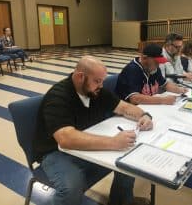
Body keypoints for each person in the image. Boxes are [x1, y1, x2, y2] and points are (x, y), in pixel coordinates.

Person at [33, 56, 154, 205]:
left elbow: (124, 107)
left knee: (127, 161)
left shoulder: (95, 91)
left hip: (82, 142)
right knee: (71, 187)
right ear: (80, 77)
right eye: (97, 81)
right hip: (55, 152)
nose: (101, 85)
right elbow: (66, 139)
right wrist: (114, 142)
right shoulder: (58, 96)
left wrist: (144, 116)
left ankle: (121, 201)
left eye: (102, 81)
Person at [115, 44, 188, 105]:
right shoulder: (132, 70)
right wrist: (163, 100)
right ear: (144, 58)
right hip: (128, 110)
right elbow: (134, 98)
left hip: (148, 107)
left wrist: (179, 90)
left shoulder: (153, 68)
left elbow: (165, 84)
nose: (158, 64)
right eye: (156, 62)